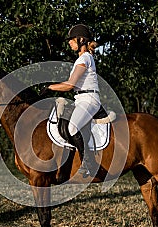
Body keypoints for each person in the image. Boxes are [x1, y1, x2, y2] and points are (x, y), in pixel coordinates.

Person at [47, 24, 101, 177]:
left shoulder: (85, 58)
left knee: (72, 128)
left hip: (89, 100)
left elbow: (70, 85)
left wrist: (50, 87)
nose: (69, 42)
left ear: (81, 40)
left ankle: (88, 162)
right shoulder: (81, 59)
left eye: (71, 39)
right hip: (81, 100)